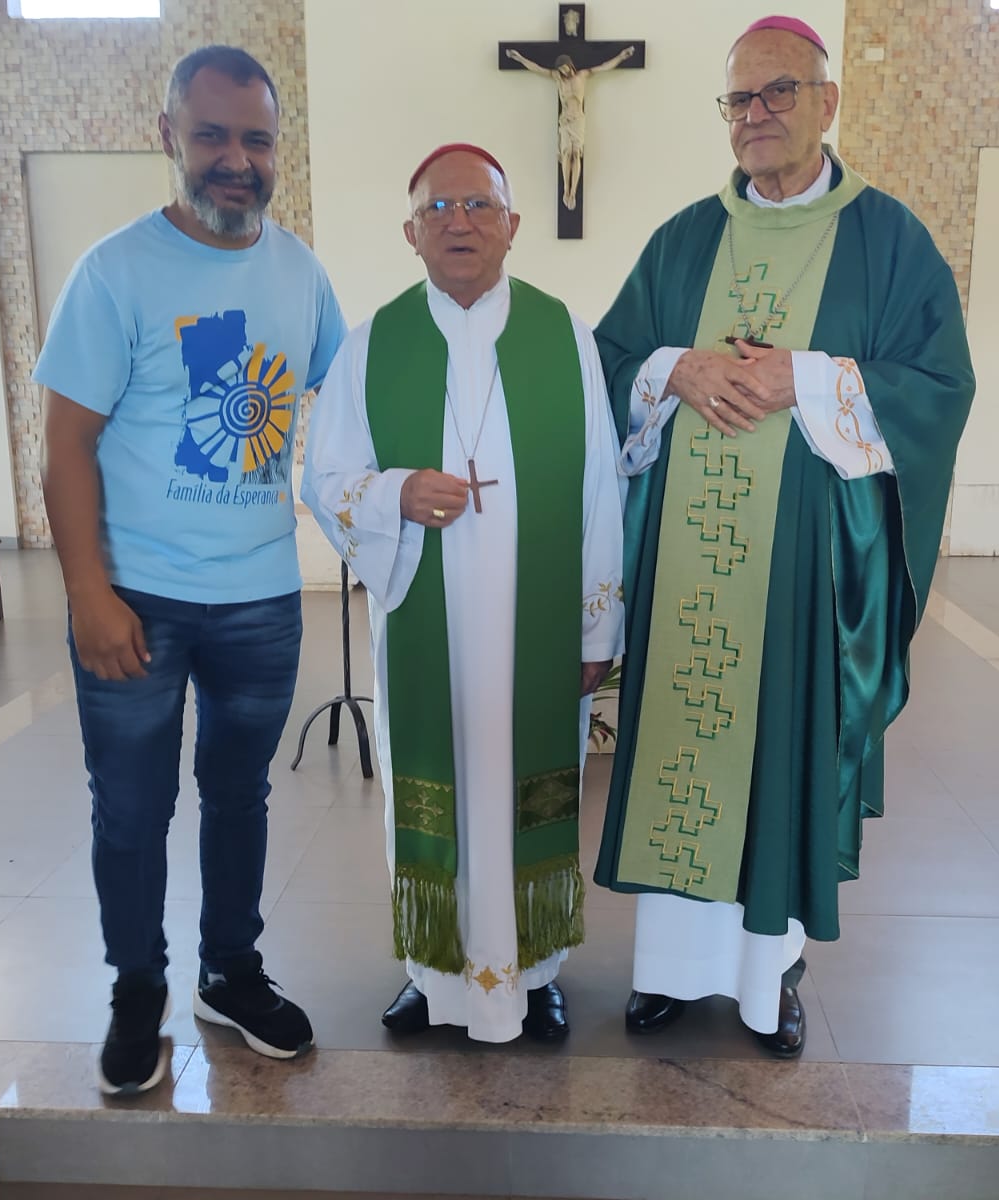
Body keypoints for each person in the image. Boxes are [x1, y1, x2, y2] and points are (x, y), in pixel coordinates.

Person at [591, 16, 975, 1058]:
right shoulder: (682, 240)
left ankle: (771, 979)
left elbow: (939, 388)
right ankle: (671, 971)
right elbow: (609, 360)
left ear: (826, 102)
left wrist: (804, 378)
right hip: (688, 569)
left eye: (778, 93)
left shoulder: (888, 241)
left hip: (803, 567)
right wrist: (674, 368)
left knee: (780, 750)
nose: (755, 114)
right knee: (682, 750)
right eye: (739, 99)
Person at [35, 45, 346, 1095]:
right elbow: (65, 445)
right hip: (138, 596)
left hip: (261, 596)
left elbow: (350, 408)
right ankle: (137, 986)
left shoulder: (302, 273)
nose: (236, 160)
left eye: (257, 139)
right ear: (168, 135)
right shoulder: (114, 271)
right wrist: (88, 592)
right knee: (131, 807)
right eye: (212, 135)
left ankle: (230, 970)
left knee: (239, 794)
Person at [302, 144, 624, 1044]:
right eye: (437, 209)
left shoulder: (564, 336)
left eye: (479, 206)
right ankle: (434, 973)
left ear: (512, 225)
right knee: (434, 792)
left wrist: (597, 625)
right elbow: (324, 478)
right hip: (426, 617)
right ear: (410, 234)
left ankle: (538, 970)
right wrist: (395, 494)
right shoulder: (373, 345)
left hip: (538, 625)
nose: (459, 223)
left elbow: (602, 485)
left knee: (533, 791)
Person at [504, 46, 636, 210]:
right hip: (566, 120)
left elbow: (604, 67)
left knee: (576, 153)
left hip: (578, 120)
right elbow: (537, 68)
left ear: (570, 65)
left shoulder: (583, 75)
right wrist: (519, 58)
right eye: (561, 70)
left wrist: (621, 57)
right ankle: (566, 189)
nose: (564, 72)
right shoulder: (558, 79)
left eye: (565, 68)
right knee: (567, 154)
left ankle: (573, 191)